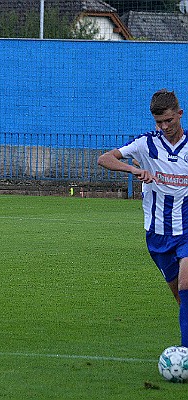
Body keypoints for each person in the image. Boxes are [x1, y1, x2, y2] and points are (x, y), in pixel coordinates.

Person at [98, 89, 188, 346]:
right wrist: (133, 169)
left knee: (186, 285)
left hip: (187, 228)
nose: (164, 126)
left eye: (169, 120)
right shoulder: (146, 144)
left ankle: (185, 352)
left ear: (180, 115)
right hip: (157, 233)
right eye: (159, 122)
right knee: (181, 299)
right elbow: (104, 158)